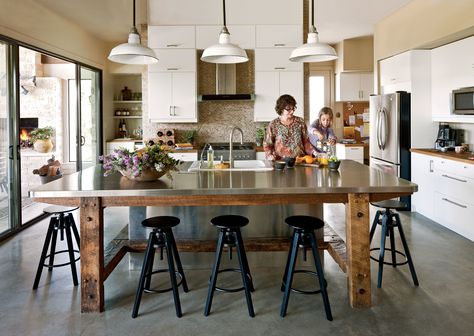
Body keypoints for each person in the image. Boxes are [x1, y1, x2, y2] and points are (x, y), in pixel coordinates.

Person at [264, 94, 314, 160]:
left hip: (299, 161)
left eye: (293, 108)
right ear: (281, 109)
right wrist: (269, 155)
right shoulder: (273, 124)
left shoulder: (300, 122)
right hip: (280, 162)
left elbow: (306, 142)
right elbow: (267, 144)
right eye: (288, 109)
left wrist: (313, 153)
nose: (292, 111)